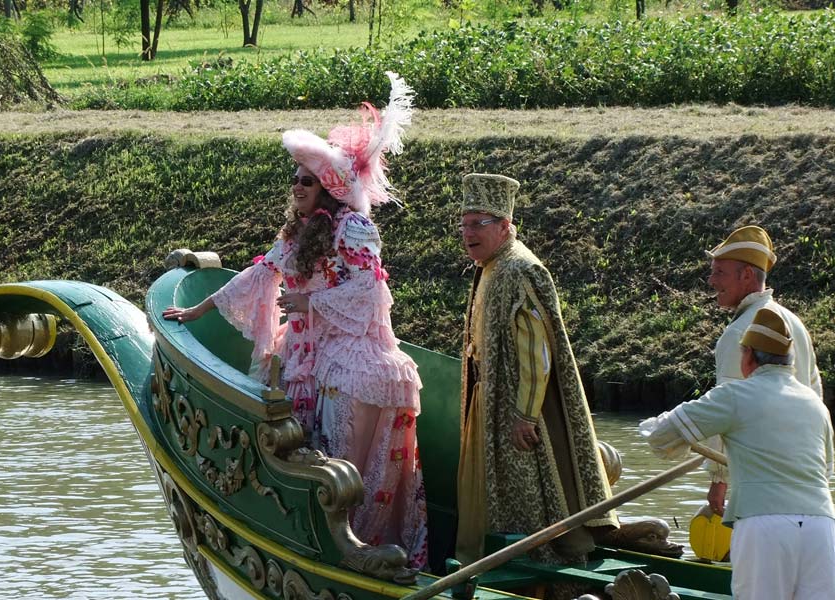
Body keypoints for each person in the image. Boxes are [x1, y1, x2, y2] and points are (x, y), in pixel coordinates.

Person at [162, 72, 428, 568]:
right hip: (306, 351)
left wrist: (313, 304)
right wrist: (199, 309)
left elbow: (372, 289)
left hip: (350, 348)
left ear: (328, 187)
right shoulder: (298, 231)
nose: (297, 186)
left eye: (307, 179)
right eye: (296, 179)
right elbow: (261, 272)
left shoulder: (353, 226)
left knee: (341, 436)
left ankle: (361, 548)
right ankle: (315, 536)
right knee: (307, 440)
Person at [454, 173, 617, 567]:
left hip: (518, 411)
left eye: (479, 224)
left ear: (505, 226)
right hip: (486, 401)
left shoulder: (520, 269)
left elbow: (537, 350)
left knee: (529, 488)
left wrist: (525, 413)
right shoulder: (492, 265)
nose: (468, 233)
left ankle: (543, 567)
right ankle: (482, 561)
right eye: (464, 224)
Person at [640, 307, 835, 600]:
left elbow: (663, 435)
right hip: (822, 528)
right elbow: (827, 468)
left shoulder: (735, 395)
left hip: (765, 527)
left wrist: (651, 426)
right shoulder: (815, 404)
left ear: (749, 357)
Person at [703, 225, 824, 516]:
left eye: (720, 272)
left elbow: (727, 405)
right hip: (805, 483)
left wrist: (719, 478)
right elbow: (815, 395)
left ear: (746, 275)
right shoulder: (792, 321)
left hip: (761, 483)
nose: (711, 280)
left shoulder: (740, 335)